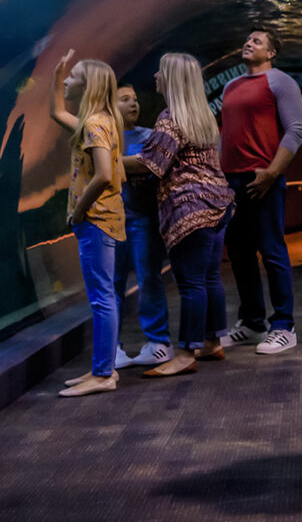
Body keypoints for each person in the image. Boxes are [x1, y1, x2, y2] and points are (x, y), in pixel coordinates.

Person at [123, 53, 234, 377]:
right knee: (210, 278)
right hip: (218, 204)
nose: (155, 75)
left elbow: (151, 164)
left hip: (190, 210)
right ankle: (212, 342)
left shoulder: (170, 118)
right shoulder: (203, 115)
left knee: (190, 284)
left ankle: (185, 354)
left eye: (161, 71)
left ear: (171, 78)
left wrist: (107, 160)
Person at [219, 30, 302, 355]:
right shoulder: (230, 86)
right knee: (240, 254)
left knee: (272, 251)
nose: (248, 43)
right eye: (247, 39)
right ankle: (253, 321)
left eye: (257, 41)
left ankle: (284, 326)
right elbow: (225, 135)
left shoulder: (281, 82)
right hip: (231, 180)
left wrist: (272, 173)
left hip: (263, 177)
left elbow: (296, 130)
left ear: (271, 53)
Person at [50, 50, 126, 397]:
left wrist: (79, 210)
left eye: (72, 76)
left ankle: (103, 374)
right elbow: (56, 112)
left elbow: (105, 174)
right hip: (104, 218)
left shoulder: (94, 124)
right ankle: (102, 368)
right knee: (104, 295)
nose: (68, 80)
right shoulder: (100, 121)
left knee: (101, 298)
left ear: (89, 84)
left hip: (96, 220)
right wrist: (56, 75)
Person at [113, 84, 173, 368]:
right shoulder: (103, 135)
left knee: (149, 278)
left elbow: (151, 166)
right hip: (111, 222)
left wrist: (112, 163)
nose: (133, 104)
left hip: (144, 219)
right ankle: (112, 346)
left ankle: (158, 342)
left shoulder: (150, 136)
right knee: (112, 284)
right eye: (124, 99)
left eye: (135, 99)